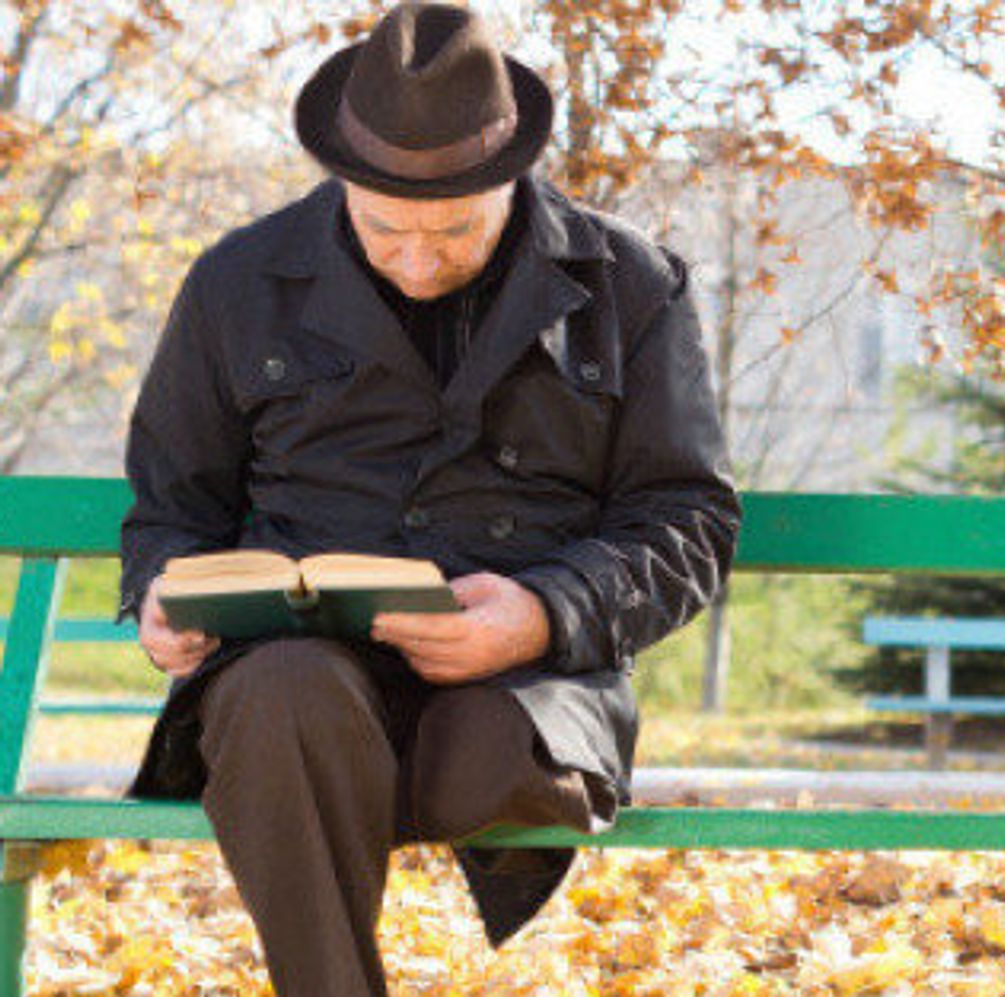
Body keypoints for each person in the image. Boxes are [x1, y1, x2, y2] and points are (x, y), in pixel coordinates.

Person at [118, 4, 740, 995]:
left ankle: (311, 788)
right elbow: (171, 506)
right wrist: (159, 598)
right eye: (382, 230)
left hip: (523, 690)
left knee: (472, 748)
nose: (415, 261)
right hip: (290, 677)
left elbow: (686, 522)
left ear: (509, 180)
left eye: (452, 230)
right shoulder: (235, 283)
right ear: (341, 182)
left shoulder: (631, 285)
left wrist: (545, 613)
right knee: (286, 705)